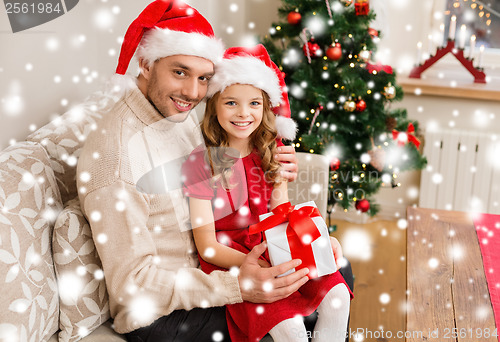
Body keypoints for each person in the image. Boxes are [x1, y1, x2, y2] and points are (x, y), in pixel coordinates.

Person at [77, 1, 307, 341]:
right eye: (180, 72)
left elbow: (230, 160)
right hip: (165, 315)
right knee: (294, 311)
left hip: (212, 269)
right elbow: (133, 284)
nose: (193, 92)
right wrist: (239, 286)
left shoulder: (177, 115)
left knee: (329, 270)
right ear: (144, 62)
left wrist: (276, 163)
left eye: (204, 79)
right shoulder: (116, 159)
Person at [182, 45, 353, 342]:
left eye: (254, 104)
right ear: (214, 105)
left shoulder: (268, 151)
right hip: (235, 261)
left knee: (338, 295)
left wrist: (317, 240)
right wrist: (258, 266)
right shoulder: (201, 163)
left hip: (276, 248)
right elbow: (207, 246)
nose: (244, 113)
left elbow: (280, 213)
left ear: (265, 107)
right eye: (231, 103)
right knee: (291, 329)